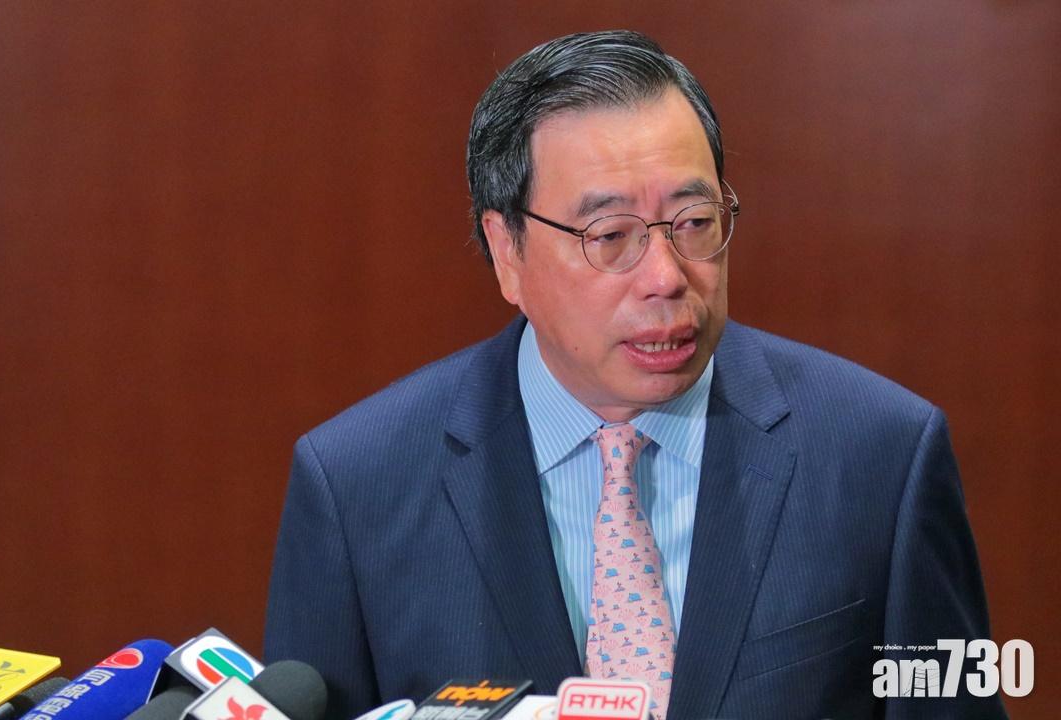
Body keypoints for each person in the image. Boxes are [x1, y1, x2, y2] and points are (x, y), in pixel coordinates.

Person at [264, 30, 1004, 719]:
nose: (666, 277)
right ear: (507, 251)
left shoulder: (883, 457)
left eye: (695, 222)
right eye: (611, 235)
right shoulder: (356, 487)